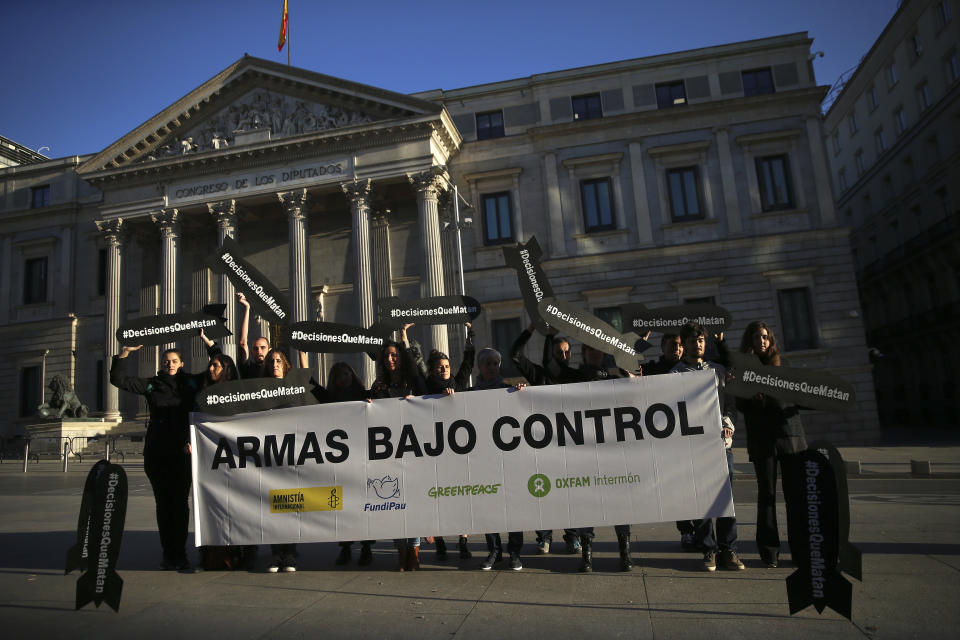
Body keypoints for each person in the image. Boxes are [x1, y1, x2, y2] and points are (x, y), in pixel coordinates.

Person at [110, 332, 219, 571]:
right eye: (166, 361)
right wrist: (123, 355)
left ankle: (179, 553)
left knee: (180, 504)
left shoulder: (190, 383)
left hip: (183, 452)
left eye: (174, 361)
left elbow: (218, 367)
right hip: (157, 452)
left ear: (182, 363)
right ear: (162, 364)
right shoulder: (152, 384)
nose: (170, 364)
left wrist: (208, 342)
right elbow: (119, 380)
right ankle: (168, 554)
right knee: (163, 504)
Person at [670, 322, 745, 572]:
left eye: (701, 340)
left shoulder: (719, 370)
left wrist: (728, 425)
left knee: (725, 497)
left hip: (720, 443)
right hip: (693, 446)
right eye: (692, 341)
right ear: (685, 344)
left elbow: (731, 404)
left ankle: (728, 549)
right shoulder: (674, 375)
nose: (697, 344)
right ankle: (709, 549)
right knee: (701, 498)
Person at [736, 321, 807, 568]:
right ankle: (769, 551)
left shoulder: (784, 365)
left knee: (795, 497)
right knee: (766, 496)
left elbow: (798, 399)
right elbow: (741, 406)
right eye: (756, 338)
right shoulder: (744, 371)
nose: (761, 341)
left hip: (790, 439)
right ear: (750, 342)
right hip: (762, 441)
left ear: (771, 340)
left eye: (765, 337)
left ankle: (801, 551)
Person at [509, 323, 581, 555]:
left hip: (570, 443)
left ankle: (573, 537)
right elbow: (514, 354)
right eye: (557, 352)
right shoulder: (537, 374)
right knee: (543, 491)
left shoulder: (574, 377)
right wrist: (530, 329)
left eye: (565, 352)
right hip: (542, 443)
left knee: (571, 492)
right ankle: (544, 538)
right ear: (549, 352)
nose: (562, 356)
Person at [569, 343, 637, 572]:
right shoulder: (576, 377)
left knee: (619, 498)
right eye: (590, 350)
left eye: (598, 350)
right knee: (587, 500)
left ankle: (624, 551)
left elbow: (631, 398)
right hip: (585, 447)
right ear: (585, 353)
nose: (595, 353)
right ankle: (587, 554)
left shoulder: (614, 375)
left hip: (612, 446)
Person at [368, 324, 425, 570]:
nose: (391, 359)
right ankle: (400, 549)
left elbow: (426, 397)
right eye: (387, 356)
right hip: (388, 451)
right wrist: (369, 402)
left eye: (395, 355)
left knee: (411, 501)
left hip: (413, 447)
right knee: (392, 503)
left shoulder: (412, 381)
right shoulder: (379, 384)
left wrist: (404, 337)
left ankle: (413, 549)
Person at [420, 324, 476, 561]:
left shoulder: (459, 383)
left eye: (446, 366)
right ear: (432, 371)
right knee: (438, 499)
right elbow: (414, 369)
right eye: (440, 367)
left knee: (462, 498)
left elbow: (468, 362)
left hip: (458, 452)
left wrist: (469, 335)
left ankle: (463, 541)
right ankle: (441, 542)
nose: (444, 369)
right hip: (435, 452)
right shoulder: (425, 389)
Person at [470, 347, 526, 571]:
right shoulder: (470, 395)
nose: (492, 367)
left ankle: (515, 552)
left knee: (513, 506)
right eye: (488, 364)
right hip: (485, 458)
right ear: (480, 367)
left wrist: (521, 393)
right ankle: (494, 550)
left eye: (495, 363)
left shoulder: (508, 391)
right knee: (489, 505)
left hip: (509, 459)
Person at [327, 361, 376, 567]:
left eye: (346, 373)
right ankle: (346, 548)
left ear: (352, 375)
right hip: (342, 459)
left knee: (364, 504)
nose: (343, 378)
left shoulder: (363, 394)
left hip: (362, 456)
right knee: (345, 506)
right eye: (339, 375)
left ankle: (366, 547)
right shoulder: (331, 399)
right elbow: (312, 385)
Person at [236, 292, 271, 378]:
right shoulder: (248, 368)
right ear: (251, 352)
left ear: (270, 350)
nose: (259, 351)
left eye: (263, 348)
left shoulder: (275, 370)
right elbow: (242, 343)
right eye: (255, 349)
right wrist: (247, 308)